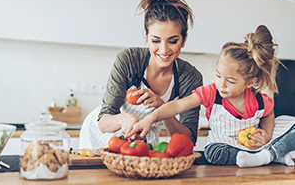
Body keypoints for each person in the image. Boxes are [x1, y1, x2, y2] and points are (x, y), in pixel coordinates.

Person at [126, 25, 295, 168]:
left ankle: (265, 156)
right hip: (225, 146)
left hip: (254, 146)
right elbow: (177, 106)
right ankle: (272, 156)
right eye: (218, 75)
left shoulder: (259, 100)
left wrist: (266, 133)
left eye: (230, 81)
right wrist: (149, 119)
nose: (221, 84)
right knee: (212, 153)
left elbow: (268, 114)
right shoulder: (212, 92)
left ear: (250, 82)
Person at [79, 0, 202, 149]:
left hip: (143, 140)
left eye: (173, 41)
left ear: (184, 39)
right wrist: (125, 118)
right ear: (146, 36)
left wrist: (162, 107)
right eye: (156, 40)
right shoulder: (129, 59)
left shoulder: (190, 77)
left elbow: (188, 139)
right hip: (101, 136)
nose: (164, 50)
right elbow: (103, 121)